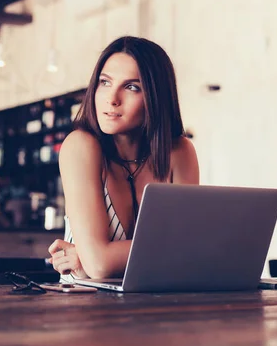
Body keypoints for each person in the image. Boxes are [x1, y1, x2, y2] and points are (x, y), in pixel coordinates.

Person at [47, 36, 200, 281]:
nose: (112, 98)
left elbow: (190, 253)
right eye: (105, 82)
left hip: (157, 303)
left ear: (155, 96)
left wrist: (92, 256)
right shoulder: (81, 146)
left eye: (131, 87)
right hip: (83, 307)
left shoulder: (179, 152)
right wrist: (97, 258)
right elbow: (99, 265)